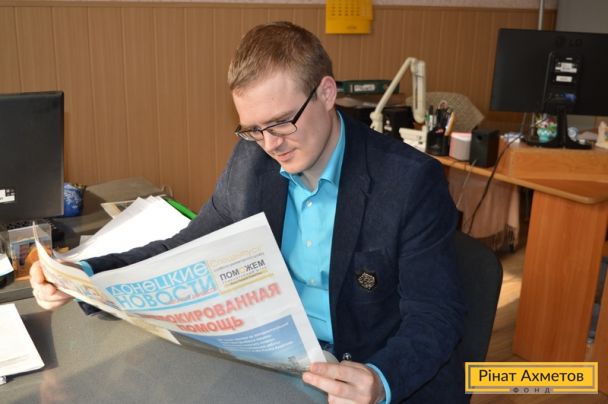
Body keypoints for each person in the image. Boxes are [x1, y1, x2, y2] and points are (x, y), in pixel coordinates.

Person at [30, 21, 466, 403]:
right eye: (254, 129)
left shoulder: (408, 183)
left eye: (281, 122)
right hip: (278, 362)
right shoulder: (252, 160)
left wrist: (379, 379)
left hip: (364, 372)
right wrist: (85, 275)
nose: (271, 144)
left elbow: (435, 315)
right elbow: (185, 247)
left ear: (326, 93)